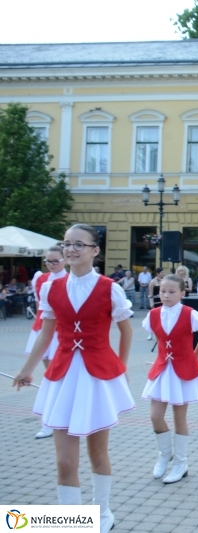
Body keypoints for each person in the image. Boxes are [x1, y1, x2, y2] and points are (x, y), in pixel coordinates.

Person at [12, 224, 134, 533]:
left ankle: (103, 512)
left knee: (97, 453)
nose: (71, 249)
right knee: (65, 461)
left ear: (95, 250)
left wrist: (121, 367)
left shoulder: (110, 287)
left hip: (97, 376)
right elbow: (46, 333)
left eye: (79, 244)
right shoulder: (50, 288)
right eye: (67, 244)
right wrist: (28, 368)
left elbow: (126, 329)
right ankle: (73, 524)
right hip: (64, 375)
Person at [142, 274, 198, 484]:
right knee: (155, 415)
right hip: (163, 369)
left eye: (172, 292)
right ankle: (165, 454)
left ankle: (181, 463)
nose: (166, 295)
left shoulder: (190, 314)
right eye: (163, 291)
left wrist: (194, 356)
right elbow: (160, 338)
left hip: (183, 371)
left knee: (179, 418)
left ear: (182, 293)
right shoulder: (153, 315)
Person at [25, 246, 68, 439]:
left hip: (63, 332)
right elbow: (39, 306)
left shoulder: (70, 280)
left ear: (64, 260)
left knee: (59, 375)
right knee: (49, 374)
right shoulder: (40, 279)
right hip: (44, 328)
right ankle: (49, 420)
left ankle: (60, 416)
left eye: (55, 261)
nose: (51, 265)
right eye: (48, 261)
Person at [147, 268, 165, 341]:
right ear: (157, 273)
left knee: (162, 318)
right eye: (162, 272)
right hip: (155, 301)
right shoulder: (152, 281)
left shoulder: (164, 281)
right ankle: (150, 333)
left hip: (162, 301)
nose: (163, 274)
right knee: (153, 318)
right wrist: (151, 302)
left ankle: (160, 333)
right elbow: (150, 293)